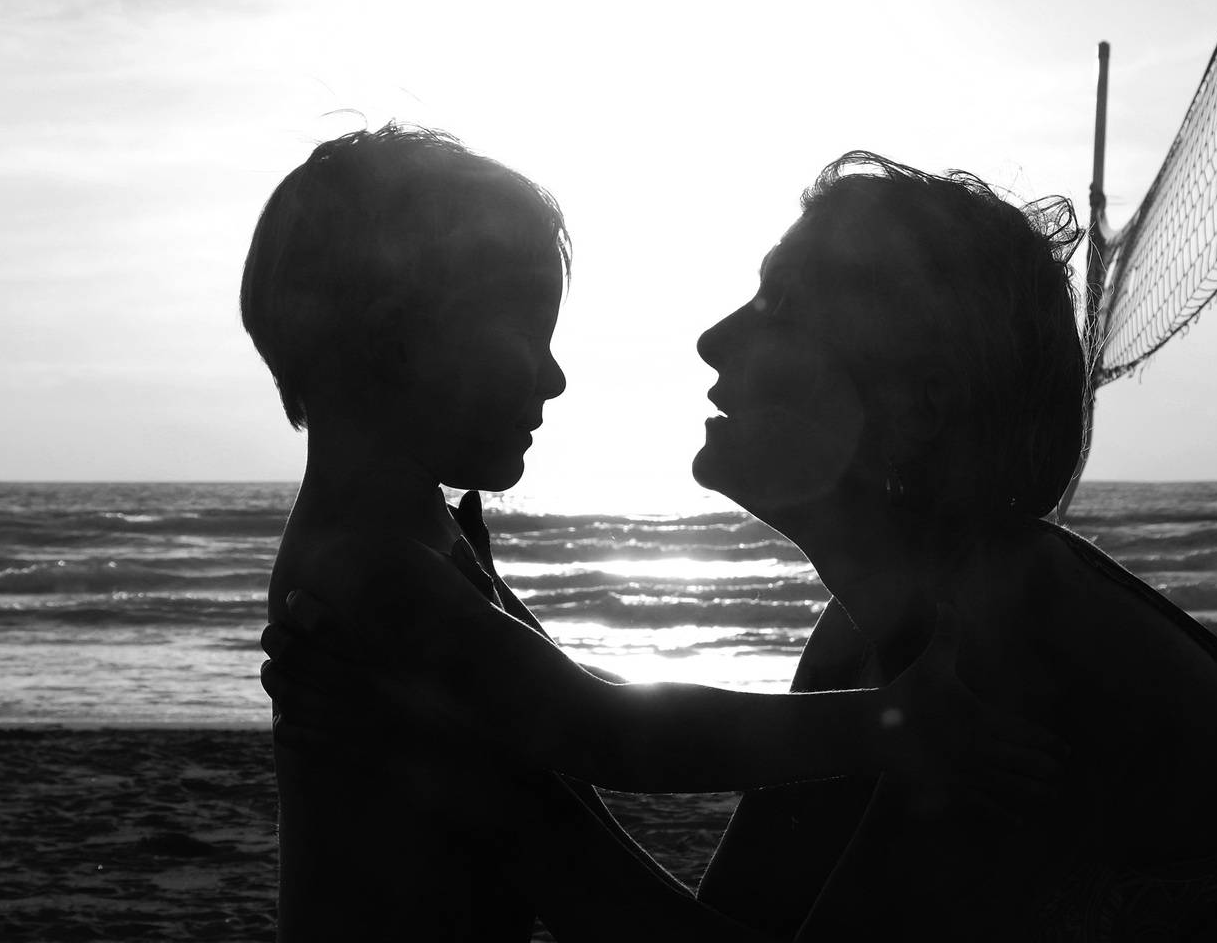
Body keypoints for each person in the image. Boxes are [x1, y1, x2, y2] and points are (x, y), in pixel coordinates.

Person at [270, 150, 1217, 940]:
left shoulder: (1014, 658)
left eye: (781, 306)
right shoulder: (879, 635)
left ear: (916, 399)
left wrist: (480, 778)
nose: (711, 339)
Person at [242, 127, 1062, 942]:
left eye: (781, 303)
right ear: (397, 343)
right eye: (527, 336)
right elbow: (605, 732)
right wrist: (893, 725)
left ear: (925, 395)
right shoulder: (374, 568)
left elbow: (579, 728)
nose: (555, 376)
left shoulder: (410, 546)